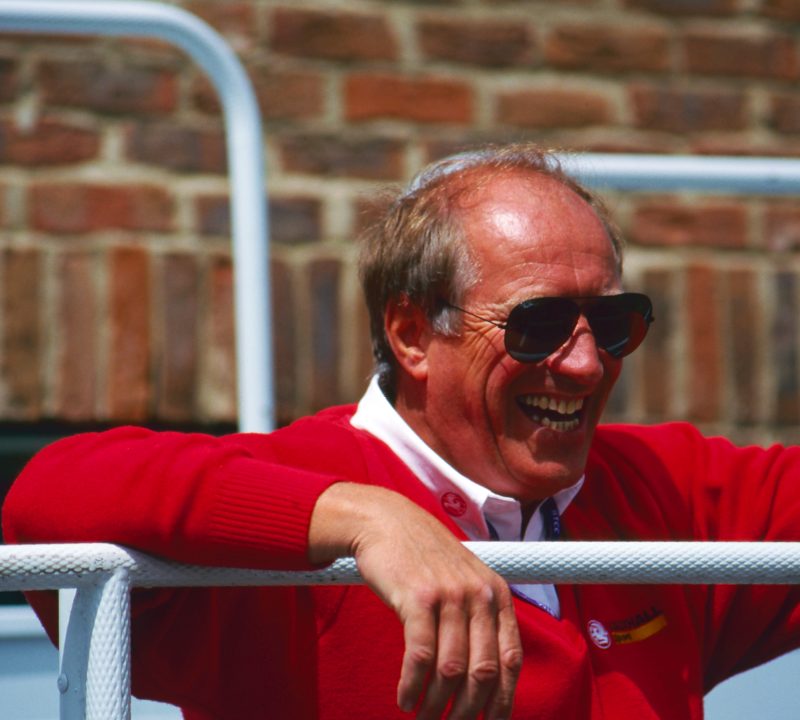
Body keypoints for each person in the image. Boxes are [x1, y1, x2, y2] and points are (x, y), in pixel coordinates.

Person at [4, 143, 800, 720]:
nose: (588, 363)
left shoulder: (662, 488)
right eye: (539, 325)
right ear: (412, 334)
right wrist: (366, 520)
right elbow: (48, 497)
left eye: (615, 322)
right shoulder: (306, 486)